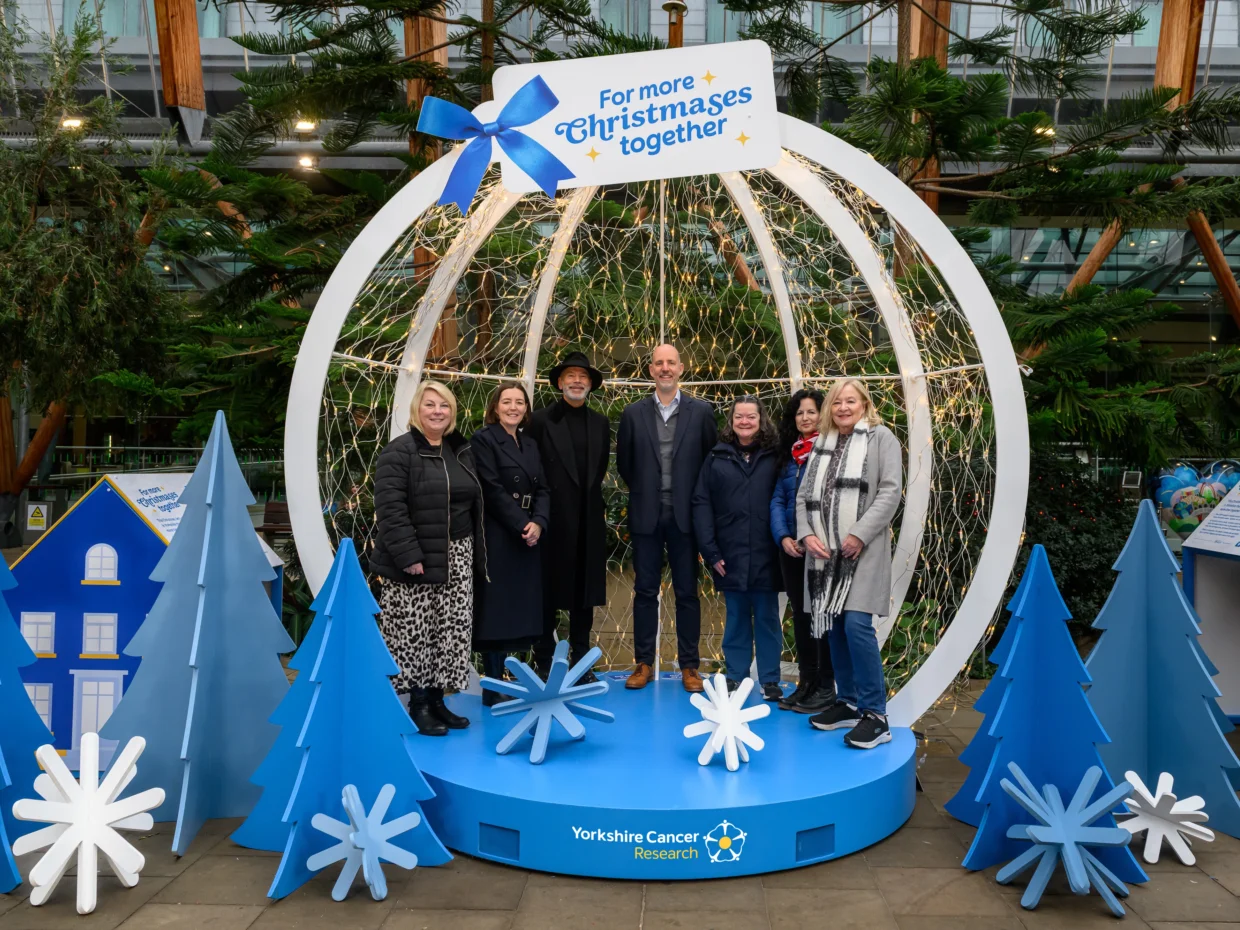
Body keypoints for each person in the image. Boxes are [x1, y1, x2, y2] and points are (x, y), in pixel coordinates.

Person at [796, 377, 902, 749]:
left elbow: (890, 491)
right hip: (824, 556)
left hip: (862, 551)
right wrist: (807, 534)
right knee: (835, 627)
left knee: (857, 625)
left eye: (850, 401)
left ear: (864, 404)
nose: (843, 407)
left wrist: (858, 534)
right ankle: (848, 702)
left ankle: (876, 714)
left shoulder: (880, 438)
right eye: (837, 402)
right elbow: (804, 495)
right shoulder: (822, 443)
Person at [372, 380, 483, 737]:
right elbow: (390, 509)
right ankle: (418, 704)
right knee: (416, 632)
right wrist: (408, 555)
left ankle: (438, 701)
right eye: (430, 405)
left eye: (444, 406)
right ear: (417, 410)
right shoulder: (399, 451)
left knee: (449, 631)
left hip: (457, 554)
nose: (437, 411)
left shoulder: (458, 449)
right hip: (417, 558)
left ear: (452, 412)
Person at [616, 344, 717, 693]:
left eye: (670, 362)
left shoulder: (702, 412)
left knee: (688, 593)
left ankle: (689, 666)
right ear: (650, 370)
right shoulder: (633, 413)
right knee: (645, 591)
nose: (664, 368)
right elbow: (625, 465)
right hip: (647, 514)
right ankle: (644, 663)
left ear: (681, 368)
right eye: (658, 363)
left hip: (686, 518)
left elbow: (709, 463)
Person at [692, 396, 784, 701]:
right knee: (736, 618)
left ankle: (770, 679)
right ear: (731, 422)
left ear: (762, 420)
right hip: (728, 554)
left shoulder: (775, 456)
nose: (745, 422)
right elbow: (702, 502)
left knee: (768, 620)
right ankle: (736, 677)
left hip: (767, 552)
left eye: (751, 417)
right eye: (739, 417)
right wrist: (711, 550)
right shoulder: (716, 458)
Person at [527, 351, 611, 683]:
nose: (577, 381)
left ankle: (580, 660)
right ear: (560, 382)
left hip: (588, 520)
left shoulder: (600, 423)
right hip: (551, 520)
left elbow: (599, 469)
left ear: (590, 385)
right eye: (571, 376)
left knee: (583, 597)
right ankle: (544, 661)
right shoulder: (539, 420)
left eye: (583, 376)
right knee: (547, 594)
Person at [471, 382, 551, 706]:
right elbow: (490, 488)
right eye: (507, 402)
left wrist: (540, 523)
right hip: (500, 534)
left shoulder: (530, 444)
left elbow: (544, 488)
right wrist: (522, 523)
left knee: (517, 609)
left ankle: (508, 679)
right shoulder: (484, 439)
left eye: (519, 402)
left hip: (529, 534)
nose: (513, 407)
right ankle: (492, 685)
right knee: (497, 609)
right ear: (496, 406)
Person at [770, 389, 835, 714]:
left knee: (821, 616)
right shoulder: (789, 455)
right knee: (802, 615)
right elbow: (778, 500)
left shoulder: (831, 451)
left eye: (811, 412)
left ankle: (826, 685)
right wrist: (783, 536)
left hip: (820, 547)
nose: (805, 418)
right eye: (800, 413)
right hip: (791, 550)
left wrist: (810, 535)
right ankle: (807, 682)